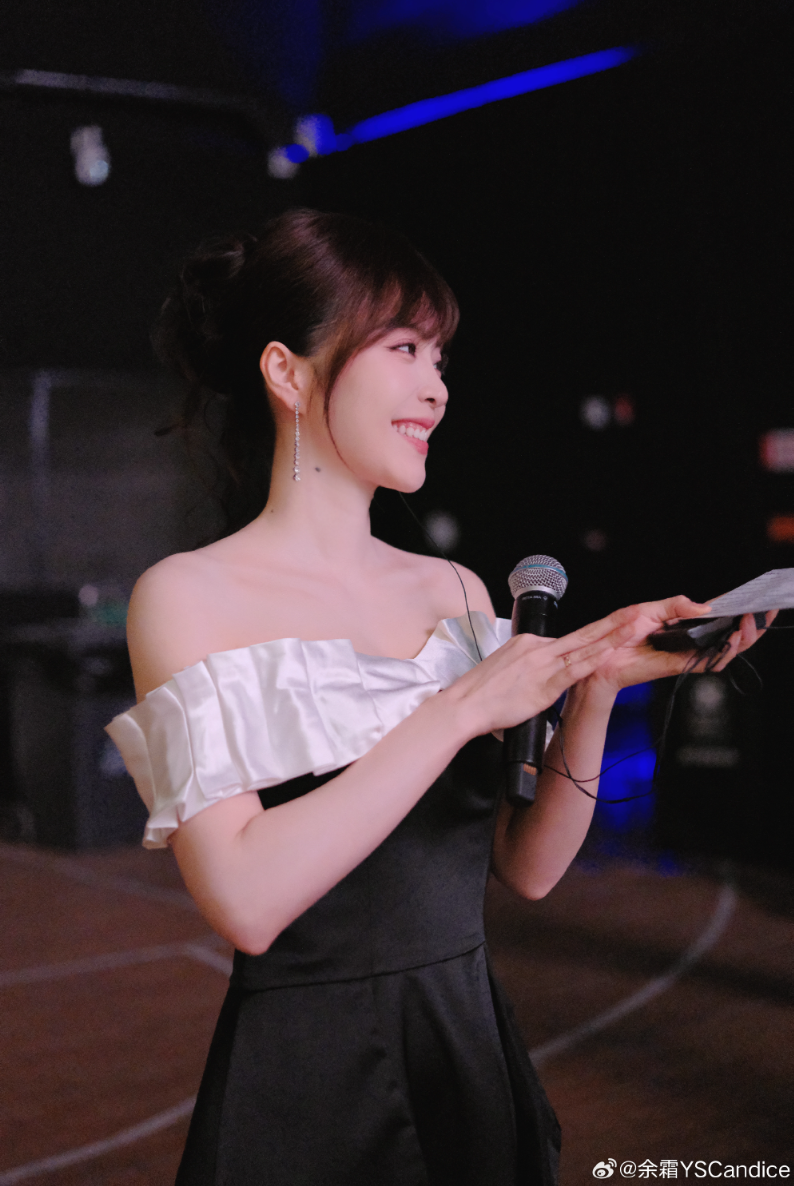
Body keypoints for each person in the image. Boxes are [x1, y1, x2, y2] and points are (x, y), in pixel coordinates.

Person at [107, 209, 765, 1186]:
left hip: (465, 1045)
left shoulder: (452, 591)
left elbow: (526, 867)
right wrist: (457, 709)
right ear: (287, 372)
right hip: (307, 1076)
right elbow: (244, 901)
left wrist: (592, 689)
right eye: (404, 348)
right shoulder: (186, 596)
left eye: (441, 357)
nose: (436, 387)